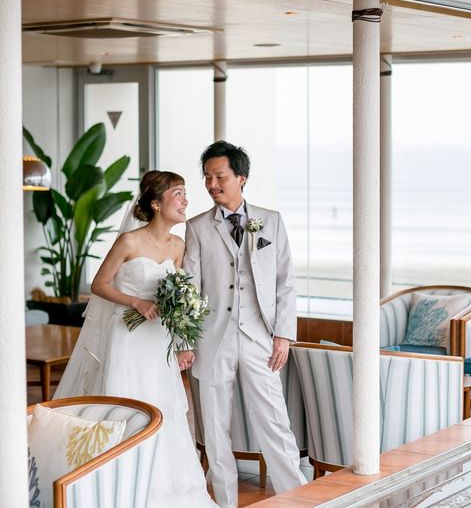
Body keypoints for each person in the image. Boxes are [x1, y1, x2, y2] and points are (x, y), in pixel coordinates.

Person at [54, 170, 217, 508]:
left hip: (159, 342)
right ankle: (117, 487)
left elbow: (179, 298)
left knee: (164, 407)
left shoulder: (178, 246)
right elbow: (99, 284)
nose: (185, 201)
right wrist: (136, 302)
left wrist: (184, 344)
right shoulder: (129, 242)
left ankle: (167, 490)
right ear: (156, 204)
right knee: (127, 404)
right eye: (178, 194)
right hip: (127, 338)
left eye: (185, 193)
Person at [183, 141, 307, 508]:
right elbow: (190, 288)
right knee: (215, 427)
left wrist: (283, 335)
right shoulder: (196, 227)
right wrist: (186, 341)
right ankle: (225, 501)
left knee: (274, 419)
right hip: (211, 340)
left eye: (219, 176)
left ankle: (296, 498)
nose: (212, 184)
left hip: (259, 338)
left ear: (241, 178)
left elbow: (285, 282)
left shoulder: (271, 221)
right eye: (207, 178)